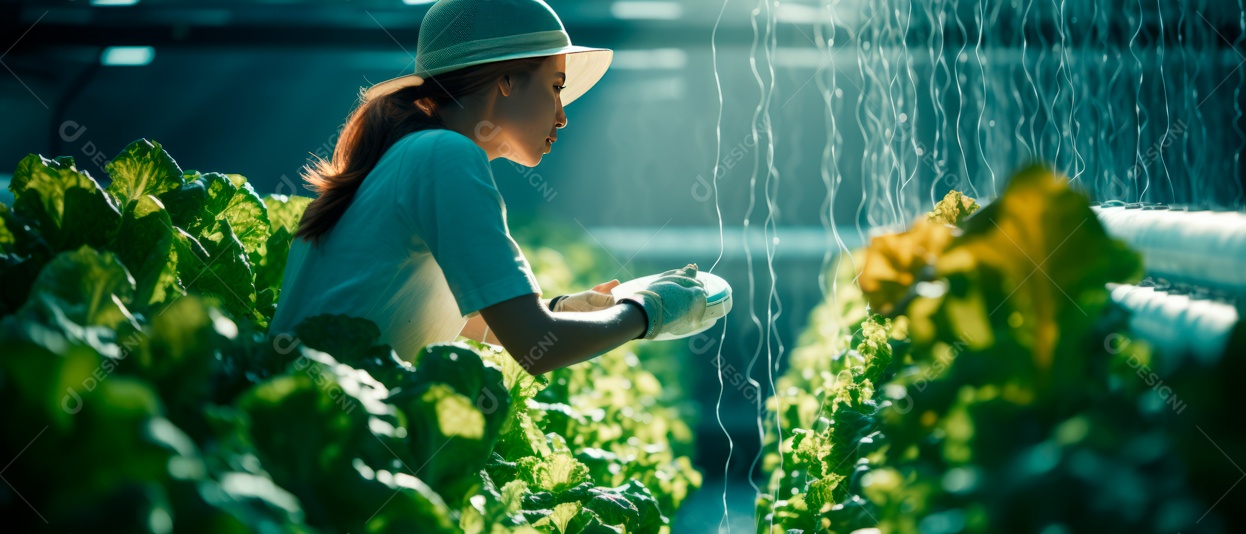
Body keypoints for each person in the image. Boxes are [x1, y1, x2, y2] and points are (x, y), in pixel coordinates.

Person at [269, 0, 708, 375]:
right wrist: (648, 312)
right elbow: (540, 347)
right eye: (555, 87)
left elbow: (426, 307)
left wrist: (559, 310)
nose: (562, 115)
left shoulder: (409, 153)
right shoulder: (445, 155)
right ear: (506, 80)